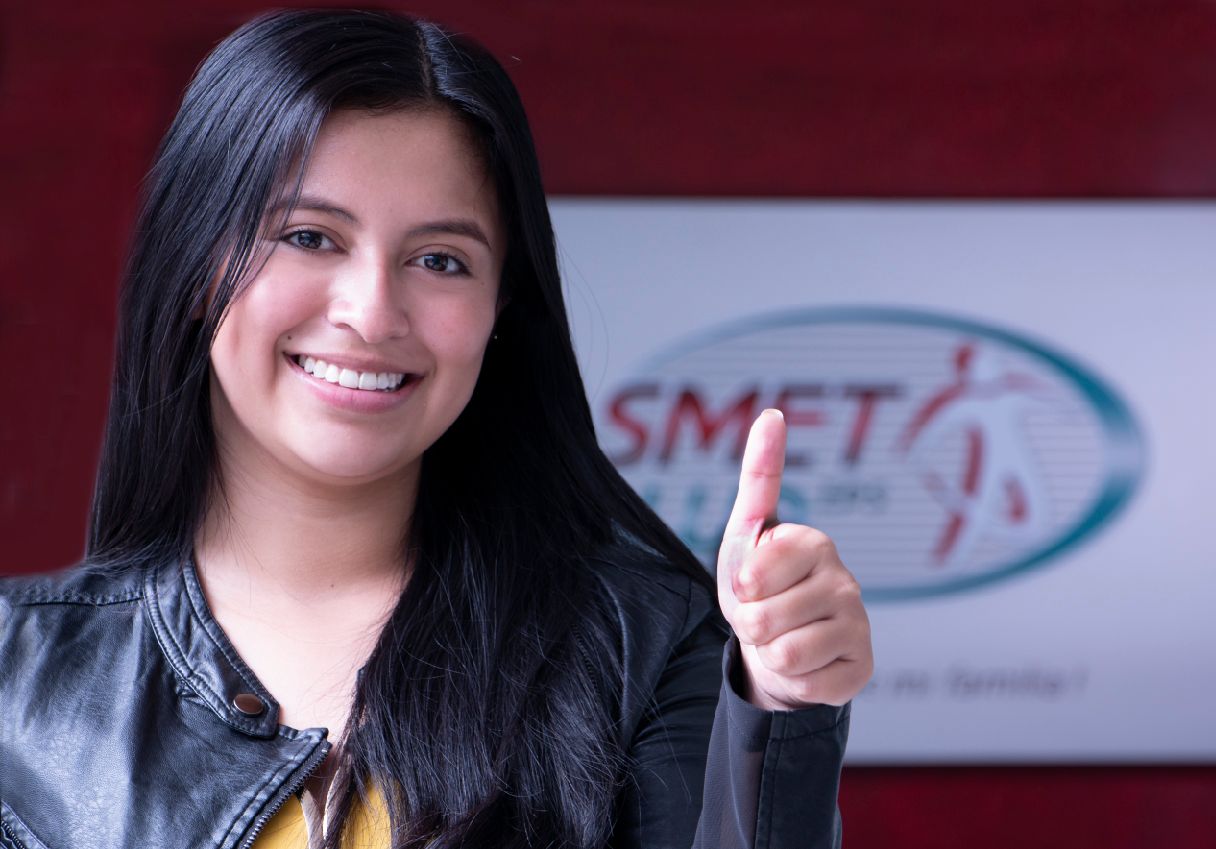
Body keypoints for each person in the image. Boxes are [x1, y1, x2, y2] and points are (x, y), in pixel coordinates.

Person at [0, 9, 872, 849]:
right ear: (197, 265)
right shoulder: (18, 672)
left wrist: (777, 710)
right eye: (309, 236)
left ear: (500, 309)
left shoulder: (644, 646)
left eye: (440, 259)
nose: (372, 312)